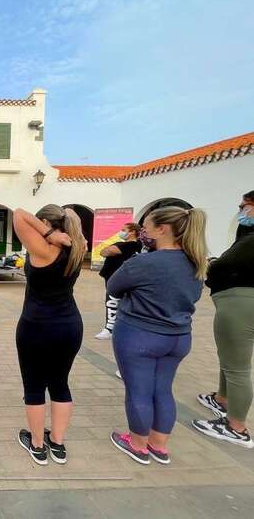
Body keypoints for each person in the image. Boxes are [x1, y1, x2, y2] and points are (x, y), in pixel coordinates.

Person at [108, 206, 207, 465]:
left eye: (146, 227)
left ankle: (138, 445)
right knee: (163, 389)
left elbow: (113, 287)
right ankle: (159, 445)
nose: (143, 231)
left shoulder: (143, 262)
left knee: (139, 390)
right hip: (178, 337)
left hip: (139, 335)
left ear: (162, 229)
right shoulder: (196, 262)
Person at [12, 205, 85, 465]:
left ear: (44, 222)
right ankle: (57, 443)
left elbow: (19, 214)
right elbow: (71, 218)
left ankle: (37, 446)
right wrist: (59, 227)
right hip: (69, 326)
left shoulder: (44, 249)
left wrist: (48, 234)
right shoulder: (78, 246)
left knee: (34, 386)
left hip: (36, 326)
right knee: (60, 383)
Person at [193, 194, 254, 448]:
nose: (240, 211)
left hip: (239, 303)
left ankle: (236, 426)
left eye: (244, 206)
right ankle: (222, 399)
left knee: (238, 367)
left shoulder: (250, 241)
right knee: (230, 358)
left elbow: (221, 266)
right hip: (237, 302)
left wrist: (212, 264)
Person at [95, 223, 142, 340]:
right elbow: (102, 252)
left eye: (123, 230)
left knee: (112, 302)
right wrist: (109, 249)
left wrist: (110, 248)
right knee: (116, 302)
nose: (121, 232)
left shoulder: (132, 245)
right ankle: (117, 328)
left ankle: (109, 329)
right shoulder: (124, 244)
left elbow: (107, 251)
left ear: (132, 232)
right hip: (112, 277)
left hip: (118, 279)